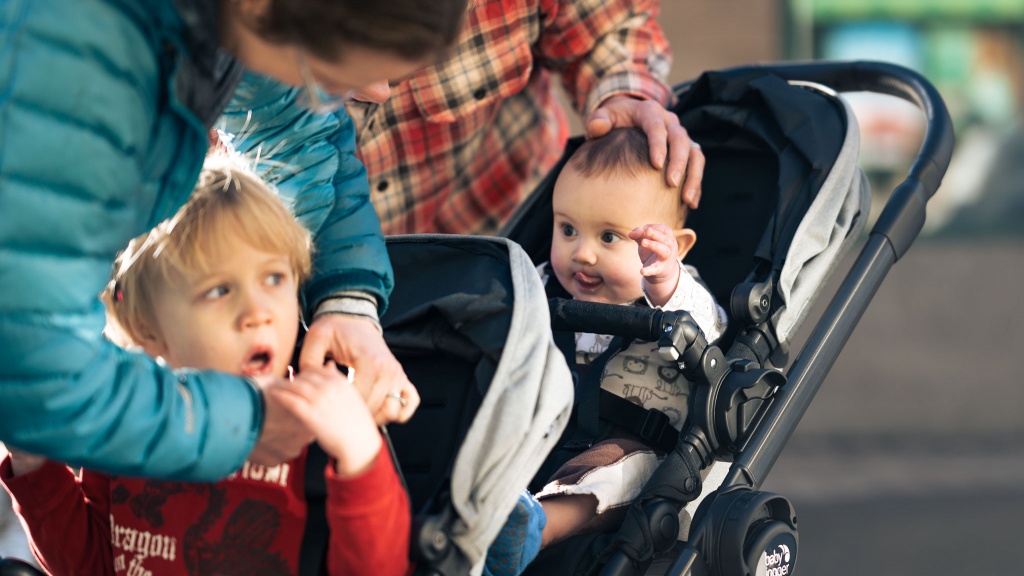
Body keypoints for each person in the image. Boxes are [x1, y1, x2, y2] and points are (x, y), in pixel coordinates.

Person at [0, 0, 467, 481]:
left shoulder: (232, 18)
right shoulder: (76, 65)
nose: (378, 93)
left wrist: (347, 302)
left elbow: (290, 134)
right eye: (335, 75)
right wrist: (239, 425)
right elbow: (32, 363)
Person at [1, 159, 412, 576]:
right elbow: (93, 566)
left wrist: (360, 455)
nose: (257, 312)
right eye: (219, 290)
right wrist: (33, 463)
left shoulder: (322, 420)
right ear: (148, 330)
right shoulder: (130, 425)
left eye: (273, 278)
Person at [484, 128, 727, 576]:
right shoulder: (540, 286)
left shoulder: (677, 296)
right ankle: (480, 508)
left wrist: (665, 281)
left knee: (616, 474)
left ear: (675, 246)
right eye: (568, 229)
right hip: (542, 433)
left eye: (610, 237)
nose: (583, 254)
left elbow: (708, 327)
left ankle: (535, 528)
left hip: (627, 444)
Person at [345, 0, 707, 236]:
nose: (377, 91)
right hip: (309, 279)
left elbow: (606, 26)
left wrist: (624, 95)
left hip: (512, 222)